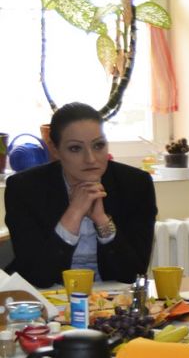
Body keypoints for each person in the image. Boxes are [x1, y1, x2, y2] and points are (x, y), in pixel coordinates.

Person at [4, 102, 157, 288]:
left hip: (113, 296)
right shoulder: (24, 188)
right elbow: (38, 276)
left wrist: (101, 220)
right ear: (54, 149)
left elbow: (132, 273)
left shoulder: (135, 184)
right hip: (49, 297)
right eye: (75, 148)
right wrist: (74, 213)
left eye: (99, 145)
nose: (91, 159)